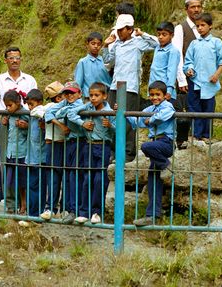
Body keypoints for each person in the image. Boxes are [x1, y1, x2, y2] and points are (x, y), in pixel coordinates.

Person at [103, 14, 158, 161]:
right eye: (118, 30)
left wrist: (143, 34)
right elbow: (107, 61)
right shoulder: (116, 44)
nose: (119, 33)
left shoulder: (138, 42)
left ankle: (128, 153)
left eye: (122, 30)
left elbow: (157, 43)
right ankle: (114, 152)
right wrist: (106, 45)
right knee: (112, 117)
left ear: (130, 29)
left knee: (128, 120)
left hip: (130, 87)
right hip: (115, 86)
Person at [0, 47, 37, 210]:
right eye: (11, 58)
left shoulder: (29, 79)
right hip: (6, 122)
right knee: (5, 161)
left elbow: (35, 99)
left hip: (25, 122)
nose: (15, 60)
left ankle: (27, 202)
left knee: (25, 161)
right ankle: (10, 203)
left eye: (17, 57)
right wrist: (2, 116)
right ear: (5, 60)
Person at [129, 81, 176, 227]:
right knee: (153, 181)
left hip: (165, 142)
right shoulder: (151, 108)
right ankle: (152, 215)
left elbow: (166, 115)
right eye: (152, 94)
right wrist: (123, 113)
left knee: (145, 146)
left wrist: (152, 119)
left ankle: (166, 166)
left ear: (165, 95)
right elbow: (138, 121)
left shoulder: (167, 105)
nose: (154, 97)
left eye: (158, 94)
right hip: (155, 147)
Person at [68, 82, 114, 225]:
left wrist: (110, 126)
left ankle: (97, 212)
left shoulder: (109, 111)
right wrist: (82, 123)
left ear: (104, 96)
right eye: (91, 95)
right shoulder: (88, 107)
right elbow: (71, 113)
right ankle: (84, 212)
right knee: (87, 178)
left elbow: (119, 130)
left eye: (97, 95)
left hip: (103, 146)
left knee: (99, 179)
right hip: (88, 146)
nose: (93, 98)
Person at [183, 13, 222, 145]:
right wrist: (189, 69)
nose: (200, 28)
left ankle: (206, 135)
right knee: (194, 108)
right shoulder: (194, 44)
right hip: (195, 82)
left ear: (210, 26)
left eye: (203, 25)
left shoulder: (216, 42)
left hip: (209, 82)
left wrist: (216, 74)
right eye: (197, 26)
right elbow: (188, 61)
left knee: (208, 109)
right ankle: (196, 135)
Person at [44, 81, 84, 224]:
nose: (69, 95)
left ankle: (73, 209)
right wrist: (60, 121)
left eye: (72, 92)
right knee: (67, 174)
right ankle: (62, 208)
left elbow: (68, 113)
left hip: (80, 142)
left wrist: (61, 113)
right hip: (69, 142)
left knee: (74, 175)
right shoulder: (65, 103)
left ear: (80, 93)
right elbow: (48, 113)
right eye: (66, 93)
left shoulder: (79, 104)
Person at [172, 0, 203, 149]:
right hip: (186, 76)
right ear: (187, 9)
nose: (196, 10)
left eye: (198, 7)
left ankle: (200, 137)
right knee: (185, 108)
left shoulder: (203, 28)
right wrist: (181, 78)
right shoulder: (180, 29)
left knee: (204, 106)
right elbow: (178, 54)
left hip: (202, 77)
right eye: (193, 7)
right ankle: (182, 140)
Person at [39, 81, 65, 221]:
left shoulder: (65, 106)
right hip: (54, 143)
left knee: (61, 176)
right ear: (58, 97)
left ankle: (59, 208)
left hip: (63, 143)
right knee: (54, 176)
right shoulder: (50, 106)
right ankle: (51, 207)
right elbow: (37, 111)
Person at [2, 89, 30, 214]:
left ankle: (24, 205)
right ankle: (13, 205)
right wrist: (6, 123)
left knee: (22, 182)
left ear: (18, 102)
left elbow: (30, 132)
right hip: (10, 152)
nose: (8, 108)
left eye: (10, 105)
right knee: (12, 181)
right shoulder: (9, 115)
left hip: (22, 153)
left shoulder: (25, 114)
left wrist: (26, 127)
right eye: (6, 106)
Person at [24, 88, 45, 217]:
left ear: (40, 102)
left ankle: (38, 212)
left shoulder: (42, 115)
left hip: (41, 158)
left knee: (38, 187)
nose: (30, 107)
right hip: (31, 157)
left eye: (32, 104)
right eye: (28, 104)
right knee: (31, 185)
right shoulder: (30, 116)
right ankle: (31, 212)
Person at [74, 32, 112, 100]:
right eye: (93, 43)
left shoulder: (105, 61)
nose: (96, 46)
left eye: (99, 44)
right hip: (89, 99)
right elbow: (78, 84)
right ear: (87, 44)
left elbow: (109, 81)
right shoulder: (83, 62)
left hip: (105, 98)